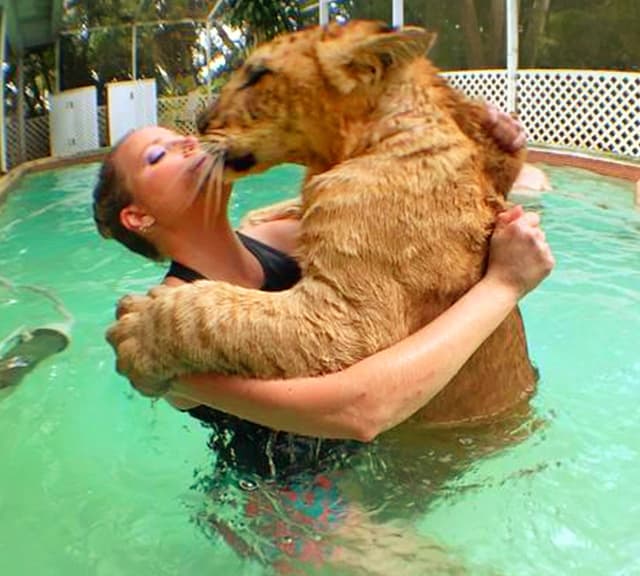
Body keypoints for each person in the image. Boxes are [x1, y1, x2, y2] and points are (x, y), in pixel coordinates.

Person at [93, 119, 554, 572]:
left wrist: (484, 149)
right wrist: (505, 284)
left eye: (181, 137)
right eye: (159, 155)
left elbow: (414, 242)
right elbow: (360, 412)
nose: (188, 144)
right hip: (288, 501)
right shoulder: (165, 330)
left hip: (377, 461)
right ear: (138, 217)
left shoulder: (280, 236)